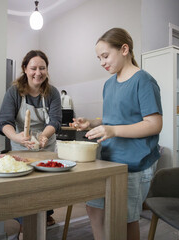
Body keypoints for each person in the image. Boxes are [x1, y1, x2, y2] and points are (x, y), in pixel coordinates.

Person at [69, 28, 162, 240]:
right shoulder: (109, 84)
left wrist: (113, 130)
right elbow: (113, 118)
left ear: (124, 49)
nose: (102, 62)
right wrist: (91, 122)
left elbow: (154, 124)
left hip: (133, 164)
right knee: (94, 208)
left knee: (126, 219)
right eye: (98, 58)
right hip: (107, 160)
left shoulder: (144, 81)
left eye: (105, 56)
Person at [0, 50, 61, 234]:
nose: (38, 73)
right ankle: (27, 221)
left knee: (46, 186)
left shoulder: (52, 93)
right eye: (33, 68)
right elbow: (4, 122)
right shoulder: (14, 92)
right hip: (21, 147)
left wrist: (44, 136)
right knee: (24, 189)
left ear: (47, 70)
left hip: (46, 146)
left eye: (42, 68)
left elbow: (55, 121)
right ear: (25, 69)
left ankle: (44, 214)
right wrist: (17, 137)